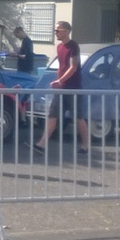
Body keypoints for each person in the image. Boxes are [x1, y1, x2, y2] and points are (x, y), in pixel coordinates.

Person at [34, 21, 89, 155]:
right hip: (61, 89)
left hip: (73, 88)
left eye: (58, 30)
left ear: (66, 31)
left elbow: (73, 67)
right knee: (52, 116)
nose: (56, 33)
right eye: (55, 30)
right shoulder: (59, 47)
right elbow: (62, 67)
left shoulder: (73, 46)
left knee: (78, 118)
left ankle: (85, 146)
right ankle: (41, 144)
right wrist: (58, 81)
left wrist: (60, 80)